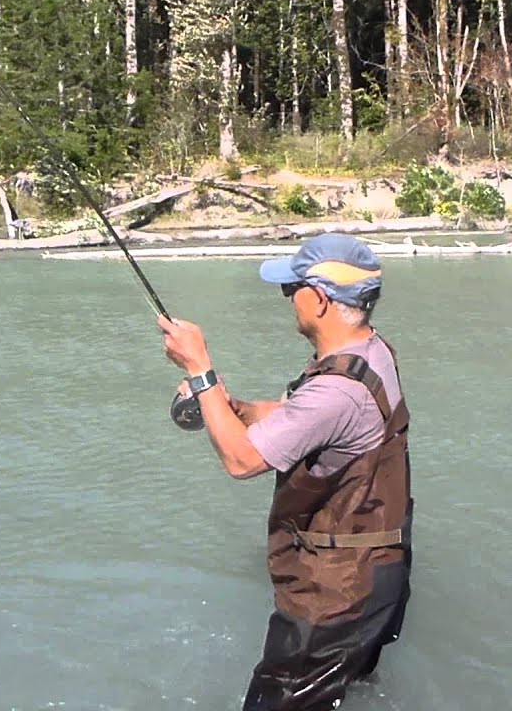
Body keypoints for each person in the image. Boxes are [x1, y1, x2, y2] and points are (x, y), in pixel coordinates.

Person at [158, 233, 413, 711]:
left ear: (318, 299)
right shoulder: (372, 356)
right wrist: (230, 406)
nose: (287, 301)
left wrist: (201, 370)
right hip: (382, 575)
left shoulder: (336, 391)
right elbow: (298, 416)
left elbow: (241, 461)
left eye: (289, 290)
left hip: (336, 599)